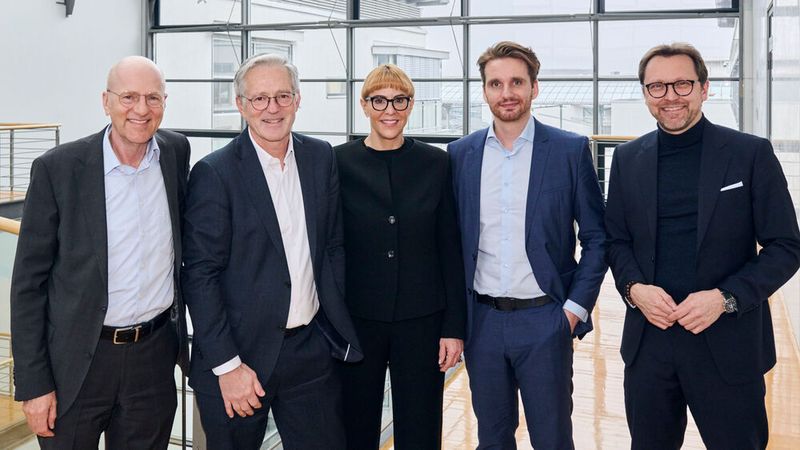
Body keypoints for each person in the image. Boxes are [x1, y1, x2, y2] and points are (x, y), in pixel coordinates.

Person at [605, 42, 800, 450]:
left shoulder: (750, 154)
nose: (670, 96)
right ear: (645, 94)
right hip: (650, 343)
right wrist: (633, 290)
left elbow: (785, 247)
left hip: (726, 341)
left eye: (682, 84)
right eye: (657, 87)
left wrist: (725, 298)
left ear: (704, 88)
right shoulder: (626, 158)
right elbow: (617, 241)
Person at [181, 53, 362, 450]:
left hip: (310, 353)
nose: (272, 108)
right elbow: (200, 275)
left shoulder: (320, 157)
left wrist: (330, 327)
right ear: (241, 105)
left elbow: (332, 246)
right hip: (239, 359)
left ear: (298, 100)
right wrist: (227, 366)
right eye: (259, 99)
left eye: (282, 96)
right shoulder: (215, 173)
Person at [10, 56, 190, 449]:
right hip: (76, 365)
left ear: (165, 102)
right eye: (128, 97)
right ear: (105, 101)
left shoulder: (176, 152)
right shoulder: (58, 169)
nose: (141, 109)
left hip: (153, 360)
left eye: (153, 98)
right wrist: (34, 383)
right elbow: (28, 286)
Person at [448, 41, 607, 449]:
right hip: (481, 323)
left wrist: (572, 311)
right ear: (484, 90)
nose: (507, 93)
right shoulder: (460, 155)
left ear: (535, 87)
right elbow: (449, 243)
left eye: (517, 82)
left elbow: (596, 237)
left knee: (552, 438)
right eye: (496, 83)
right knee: (493, 438)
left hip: (546, 320)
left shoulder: (570, 151)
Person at [334, 64, 466, 449]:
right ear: (364, 105)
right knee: (355, 429)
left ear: (410, 105)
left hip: (422, 320)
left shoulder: (437, 163)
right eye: (379, 100)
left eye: (399, 100)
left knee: (421, 430)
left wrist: (453, 327)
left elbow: (450, 247)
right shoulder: (338, 163)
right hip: (358, 320)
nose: (389, 109)